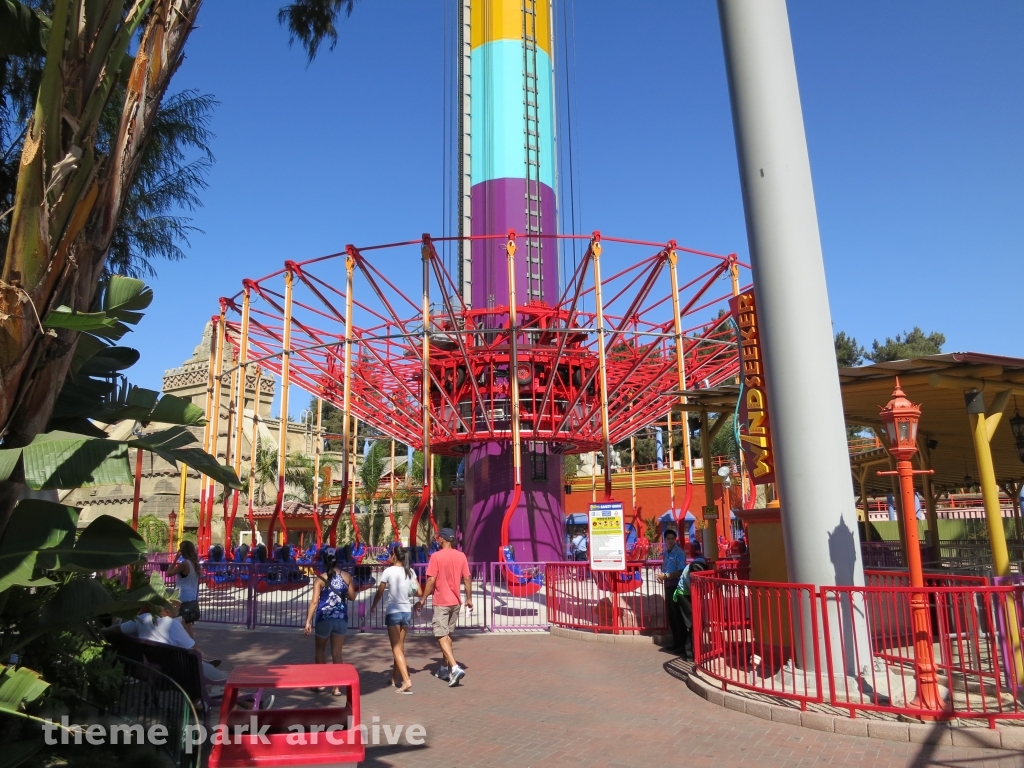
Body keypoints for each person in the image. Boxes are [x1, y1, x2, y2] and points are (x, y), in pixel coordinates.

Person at [104, 601, 226, 683]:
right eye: (175, 606)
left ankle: (199, 700)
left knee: (209, 670)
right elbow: (194, 651)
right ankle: (243, 704)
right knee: (226, 680)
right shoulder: (172, 625)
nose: (178, 608)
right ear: (166, 611)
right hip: (177, 673)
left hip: (150, 670)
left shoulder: (142, 619)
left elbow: (114, 629)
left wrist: (99, 632)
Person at [414, 528, 472, 687]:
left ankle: (454, 667)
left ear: (443, 539)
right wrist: (469, 599)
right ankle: (444, 668)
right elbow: (467, 578)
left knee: (440, 634)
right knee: (447, 635)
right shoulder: (461, 556)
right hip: (455, 602)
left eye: (439, 537)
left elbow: (431, 580)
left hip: (441, 601)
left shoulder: (436, 557)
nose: (437, 539)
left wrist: (423, 599)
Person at [369, 545, 421, 694]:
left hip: (393, 611)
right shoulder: (410, 571)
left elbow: (379, 592)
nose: (389, 556)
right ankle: (394, 677)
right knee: (400, 646)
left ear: (394, 556)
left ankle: (406, 680)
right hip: (406, 611)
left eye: (390, 554)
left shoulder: (388, 571)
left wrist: (373, 605)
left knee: (396, 647)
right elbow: (420, 591)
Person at [303, 546, 354, 695]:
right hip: (341, 618)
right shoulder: (346, 576)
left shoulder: (320, 579)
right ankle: (337, 687)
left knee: (320, 650)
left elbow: (314, 602)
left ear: (324, 561)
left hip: (324, 618)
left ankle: (321, 683)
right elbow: (353, 596)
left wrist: (308, 621)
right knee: (337, 653)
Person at [656, 529, 688, 653]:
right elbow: (666, 569)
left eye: (672, 538)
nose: (670, 541)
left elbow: (681, 571)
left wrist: (667, 576)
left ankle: (682, 644)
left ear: (675, 539)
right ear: (665, 540)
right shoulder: (666, 553)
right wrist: (662, 576)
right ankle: (676, 642)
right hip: (668, 585)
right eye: (668, 538)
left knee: (678, 616)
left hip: (676, 586)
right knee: (672, 616)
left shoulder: (679, 553)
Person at [674, 557, 709, 659]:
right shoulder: (688, 576)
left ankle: (694, 651)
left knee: (696, 622)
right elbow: (695, 590)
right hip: (684, 595)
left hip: (691, 594)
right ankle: (690, 653)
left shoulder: (700, 562)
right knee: (692, 623)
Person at [166, 540, 201, 637]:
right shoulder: (195, 564)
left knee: (182, 626)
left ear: (183, 551)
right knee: (188, 625)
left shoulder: (185, 564)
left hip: (183, 597)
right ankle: (192, 647)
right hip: (193, 597)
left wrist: (175, 559)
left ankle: (186, 648)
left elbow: (169, 573)